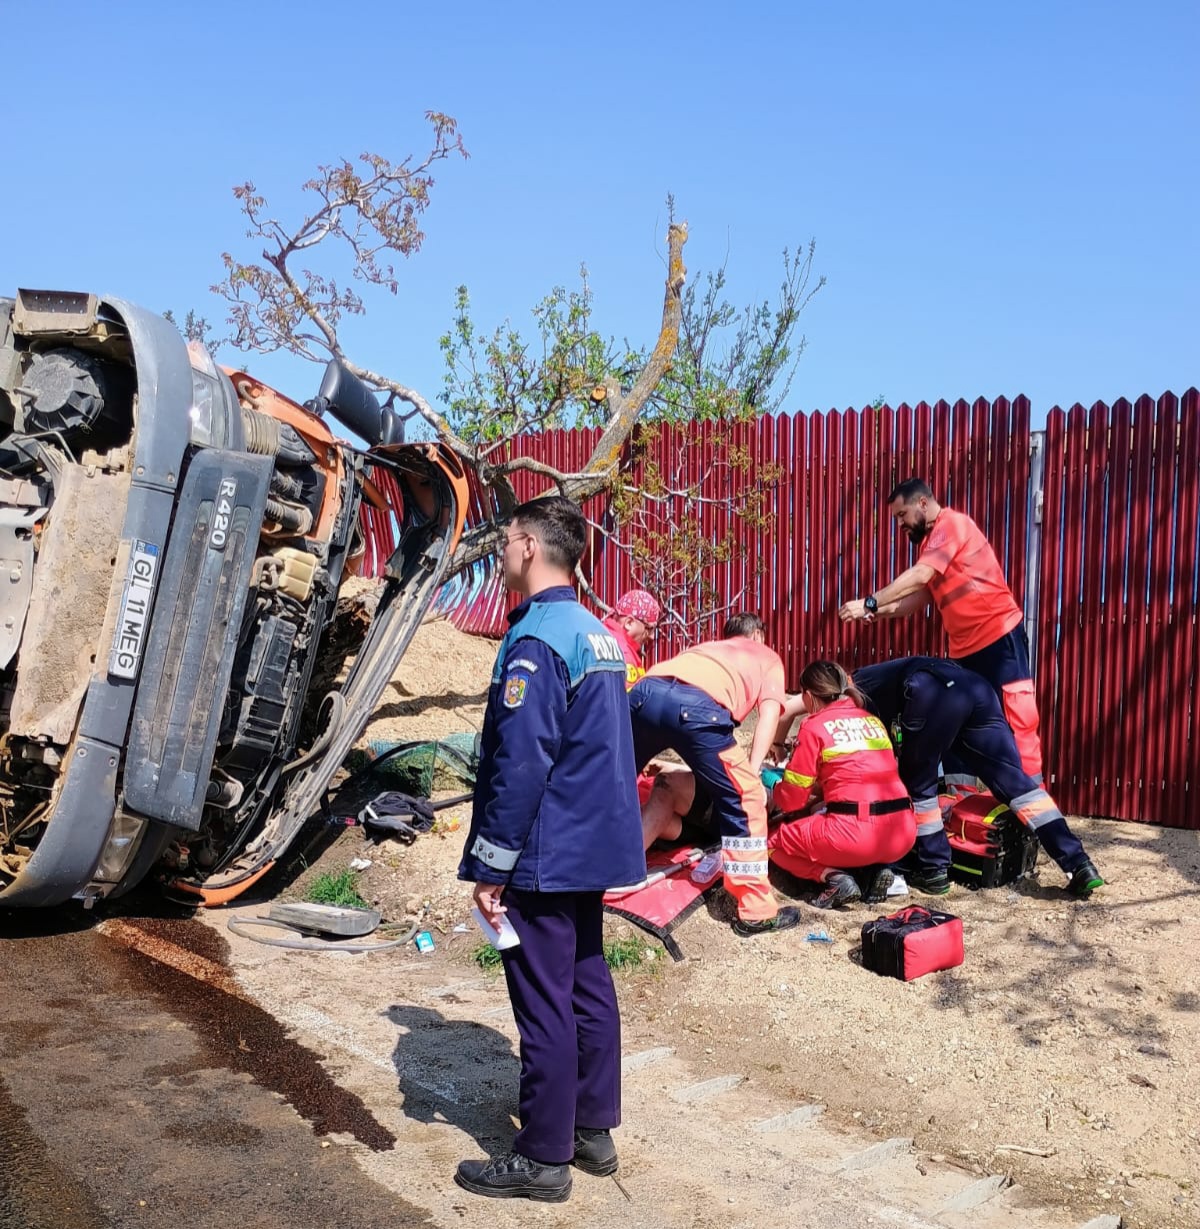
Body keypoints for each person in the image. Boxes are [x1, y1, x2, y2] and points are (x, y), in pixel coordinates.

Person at [455, 496, 645, 1203]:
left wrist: (490, 864)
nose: (503, 551)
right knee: (586, 984)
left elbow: (522, 761)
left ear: (529, 544)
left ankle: (542, 1155)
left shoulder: (537, 638)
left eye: (507, 540)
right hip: (594, 842)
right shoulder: (598, 633)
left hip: (547, 846)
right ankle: (592, 1132)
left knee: (544, 1001)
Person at [837, 479, 1044, 781]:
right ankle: (962, 808)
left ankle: (1032, 809)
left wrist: (869, 602)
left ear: (922, 504)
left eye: (901, 515)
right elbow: (914, 601)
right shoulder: (932, 545)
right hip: (965, 651)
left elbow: (921, 576)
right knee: (960, 723)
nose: (899, 524)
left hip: (998, 640)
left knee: (1016, 720)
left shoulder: (952, 525)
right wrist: (875, 612)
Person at [852, 656, 1104, 898]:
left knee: (919, 785)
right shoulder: (872, 678)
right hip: (976, 688)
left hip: (933, 692)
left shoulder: (853, 692)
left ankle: (933, 871)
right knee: (1016, 783)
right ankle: (1078, 863)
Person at [628, 613, 799, 937]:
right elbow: (769, 716)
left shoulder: (708, 649)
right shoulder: (766, 656)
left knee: (612, 782)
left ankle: (577, 867)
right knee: (746, 797)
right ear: (759, 636)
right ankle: (756, 910)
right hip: (696, 708)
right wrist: (751, 771)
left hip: (644, 693)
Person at [769, 661, 917, 908]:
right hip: (901, 833)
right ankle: (873, 872)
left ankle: (834, 878)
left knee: (770, 842)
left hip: (855, 835)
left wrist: (774, 788)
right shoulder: (872, 721)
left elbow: (792, 800)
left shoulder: (814, 727)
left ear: (808, 695)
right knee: (828, 817)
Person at [602, 589, 661, 689]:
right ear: (629, 623)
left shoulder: (600, 635)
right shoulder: (624, 655)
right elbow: (629, 701)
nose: (652, 636)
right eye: (649, 628)